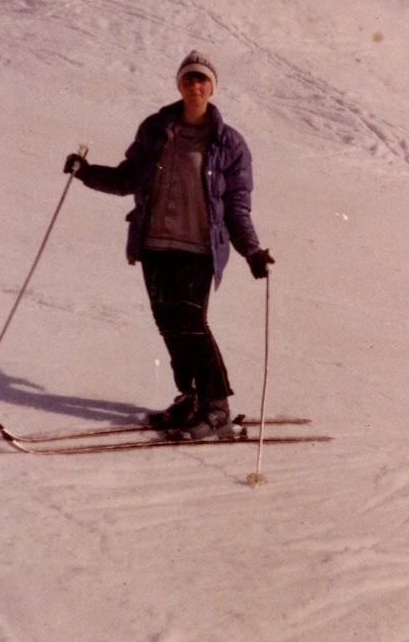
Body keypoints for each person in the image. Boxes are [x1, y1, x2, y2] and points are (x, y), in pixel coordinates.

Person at [63, 50, 274, 440]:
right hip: (155, 245)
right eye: (189, 79)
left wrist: (253, 251)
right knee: (168, 324)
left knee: (191, 325)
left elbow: (236, 206)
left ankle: (216, 408)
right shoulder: (156, 130)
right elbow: (129, 178)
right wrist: (87, 172)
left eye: (202, 80)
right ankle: (191, 396)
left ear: (212, 88)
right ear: (179, 84)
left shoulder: (230, 144)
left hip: (198, 249)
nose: (195, 86)